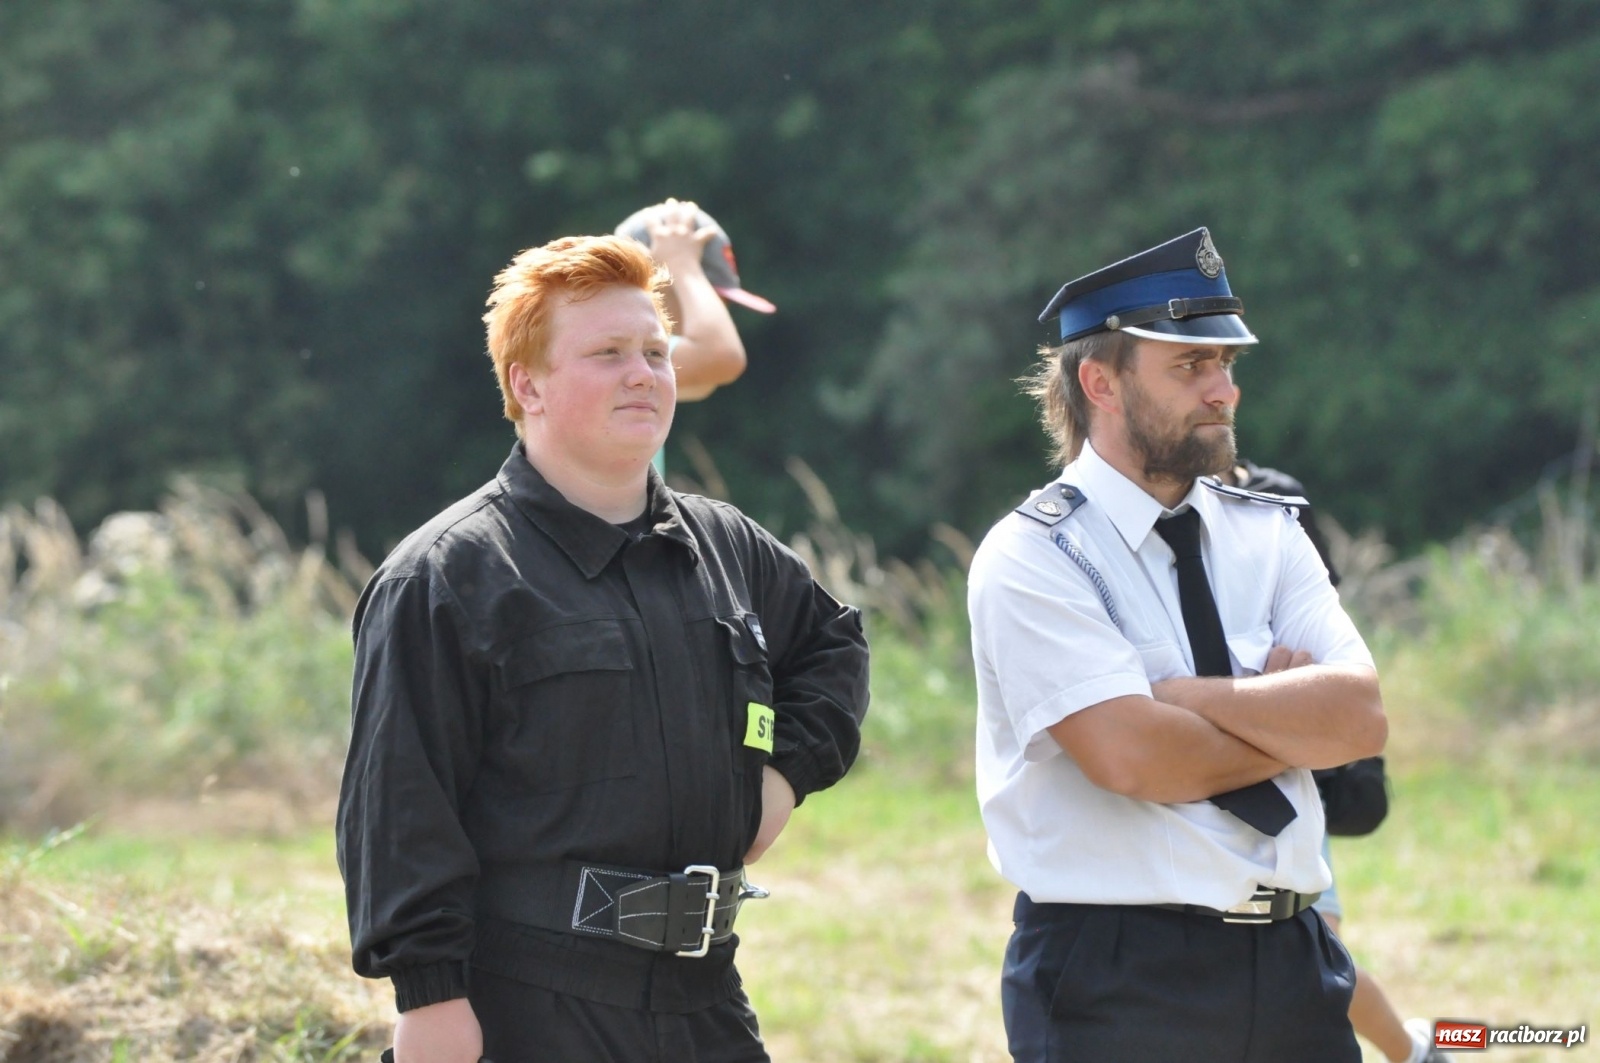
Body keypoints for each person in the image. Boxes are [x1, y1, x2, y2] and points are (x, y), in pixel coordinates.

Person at [336, 233, 869, 1063]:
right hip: (530, 1003)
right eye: (609, 352)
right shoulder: (448, 575)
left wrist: (781, 772)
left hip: (705, 997)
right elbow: (402, 802)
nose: (644, 372)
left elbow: (832, 644)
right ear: (528, 384)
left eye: (656, 351)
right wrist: (429, 996)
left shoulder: (724, 543)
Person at [968, 227, 1388, 1062]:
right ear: (1100, 382)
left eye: (1227, 365)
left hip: (1296, 962)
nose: (1223, 391)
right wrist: (1281, 723)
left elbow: (1360, 718)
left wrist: (1189, 698)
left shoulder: (1267, 532)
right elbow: (1135, 759)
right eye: (1190, 367)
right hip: (1119, 977)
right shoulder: (1033, 555)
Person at [1226, 461, 1449, 1063]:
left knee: (1313, 946)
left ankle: (1414, 1052)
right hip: (1214, 765)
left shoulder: (1271, 500)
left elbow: (1319, 632)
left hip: (1289, 764)